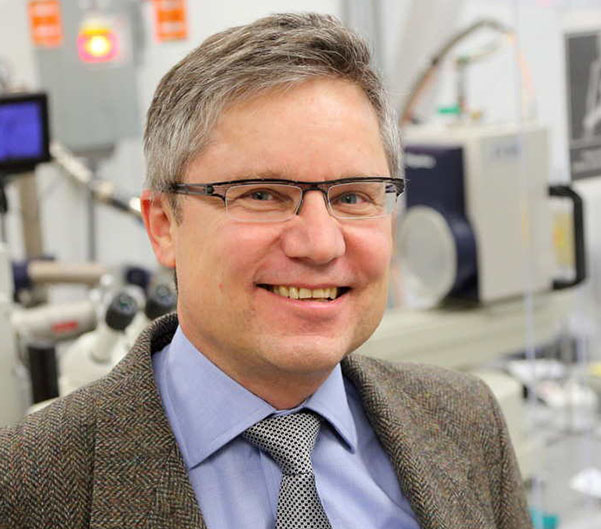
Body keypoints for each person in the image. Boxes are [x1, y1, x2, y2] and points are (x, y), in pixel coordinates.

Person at [0, 12, 532, 529]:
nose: (320, 244)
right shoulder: (26, 484)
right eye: (262, 195)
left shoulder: (466, 421)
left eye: (352, 196)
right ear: (163, 225)